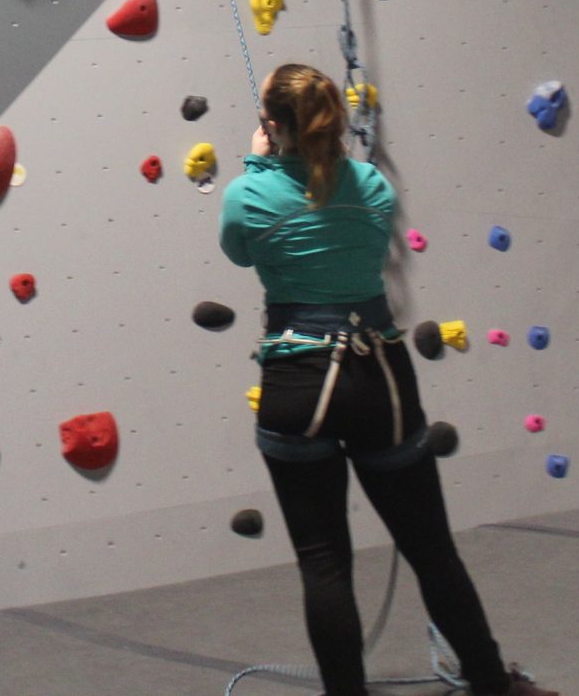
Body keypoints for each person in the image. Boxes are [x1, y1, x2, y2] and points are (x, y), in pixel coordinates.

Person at [219, 63, 557, 696]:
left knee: (323, 562)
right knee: (430, 547)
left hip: (297, 378)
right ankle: (490, 681)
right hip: (378, 376)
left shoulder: (247, 193)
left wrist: (261, 164)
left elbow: (241, 249)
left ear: (273, 125)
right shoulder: (372, 185)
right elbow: (358, 240)